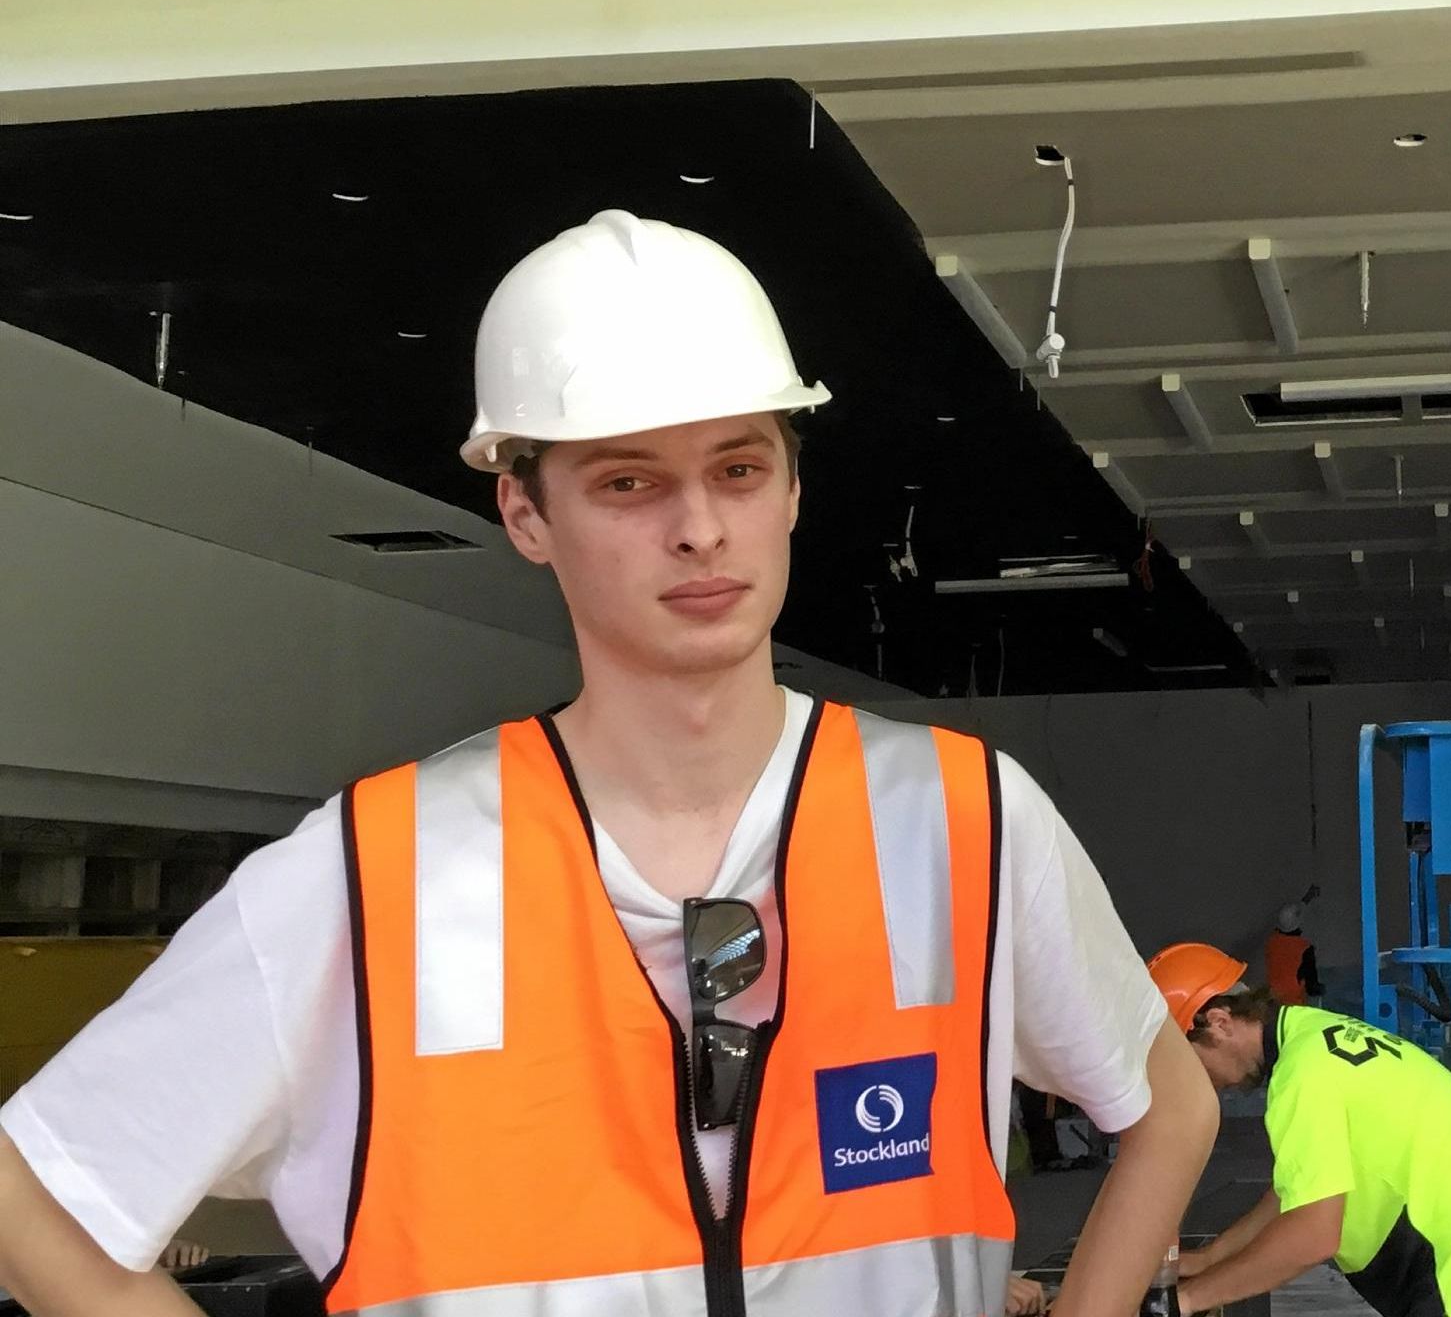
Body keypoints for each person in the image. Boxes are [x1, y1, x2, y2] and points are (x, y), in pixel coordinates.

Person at [0, 210, 1217, 1316]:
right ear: (527, 515)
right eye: (628, 482)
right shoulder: (374, 874)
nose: (698, 526)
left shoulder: (962, 820)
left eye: (738, 467)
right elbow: (34, 1193)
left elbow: (1169, 1102)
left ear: (792, 487)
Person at [1148, 944, 1451, 1317]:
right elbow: (1299, 1189)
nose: (1197, 1081)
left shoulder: (1303, 1074)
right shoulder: (1314, 1037)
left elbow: (1313, 1236)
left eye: (1188, 1062)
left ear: (1219, 1022)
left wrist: (1184, 1302)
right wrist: (1210, 1258)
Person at [1265, 888, 1324, 1006]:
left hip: (1273, 1001)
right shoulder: (1304, 949)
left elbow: (1292, 916)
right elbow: (1312, 987)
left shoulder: (1272, 942)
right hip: (1294, 1003)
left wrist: (1308, 897)